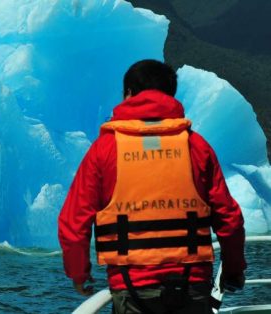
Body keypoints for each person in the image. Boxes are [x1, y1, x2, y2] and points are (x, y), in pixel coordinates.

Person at [58, 59, 246, 313]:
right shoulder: (196, 147)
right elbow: (229, 219)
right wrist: (233, 270)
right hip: (191, 285)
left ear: (128, 94)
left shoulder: (104, 150)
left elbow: (73, 221)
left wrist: (79, 273)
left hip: (130, 285)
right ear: (171, 94)